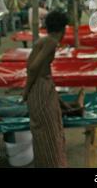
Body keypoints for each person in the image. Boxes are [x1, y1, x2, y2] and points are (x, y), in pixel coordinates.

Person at [22, 11, 71, 168]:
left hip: (41, 89)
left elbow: (35, 67)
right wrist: (26, 90)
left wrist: (59, 102)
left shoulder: (44, 40)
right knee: (50, 135)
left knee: (45, 135)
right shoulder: (51, 42)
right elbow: (34, 67)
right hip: (40, 89)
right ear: (62, 29)